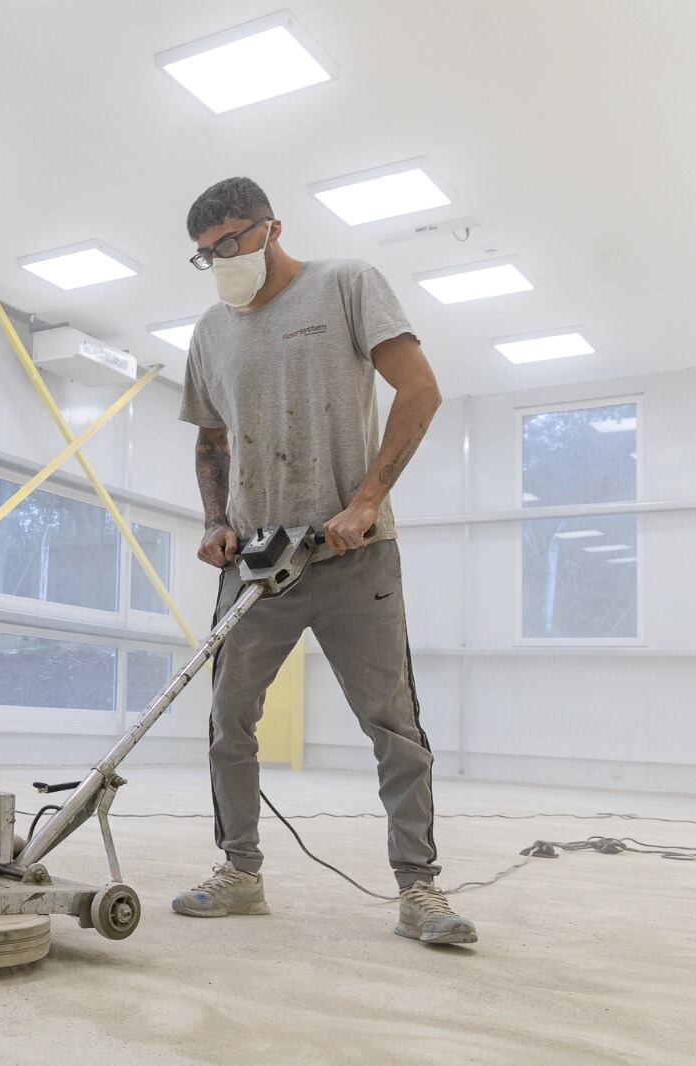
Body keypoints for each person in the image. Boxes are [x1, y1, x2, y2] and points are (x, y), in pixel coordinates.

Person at [171, 177, 476, 945]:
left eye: (231, 242)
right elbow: (211, 440)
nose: (221, 260)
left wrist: (367, 498)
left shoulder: (347, 284)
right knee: (228, 721)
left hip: (352, 555)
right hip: (255, 564)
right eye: (205, 254)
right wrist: (214, 522)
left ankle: (420, 892)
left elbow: (420, 390)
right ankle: (240, 873)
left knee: (392, 724)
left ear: (271, 228)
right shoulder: (209, 330)